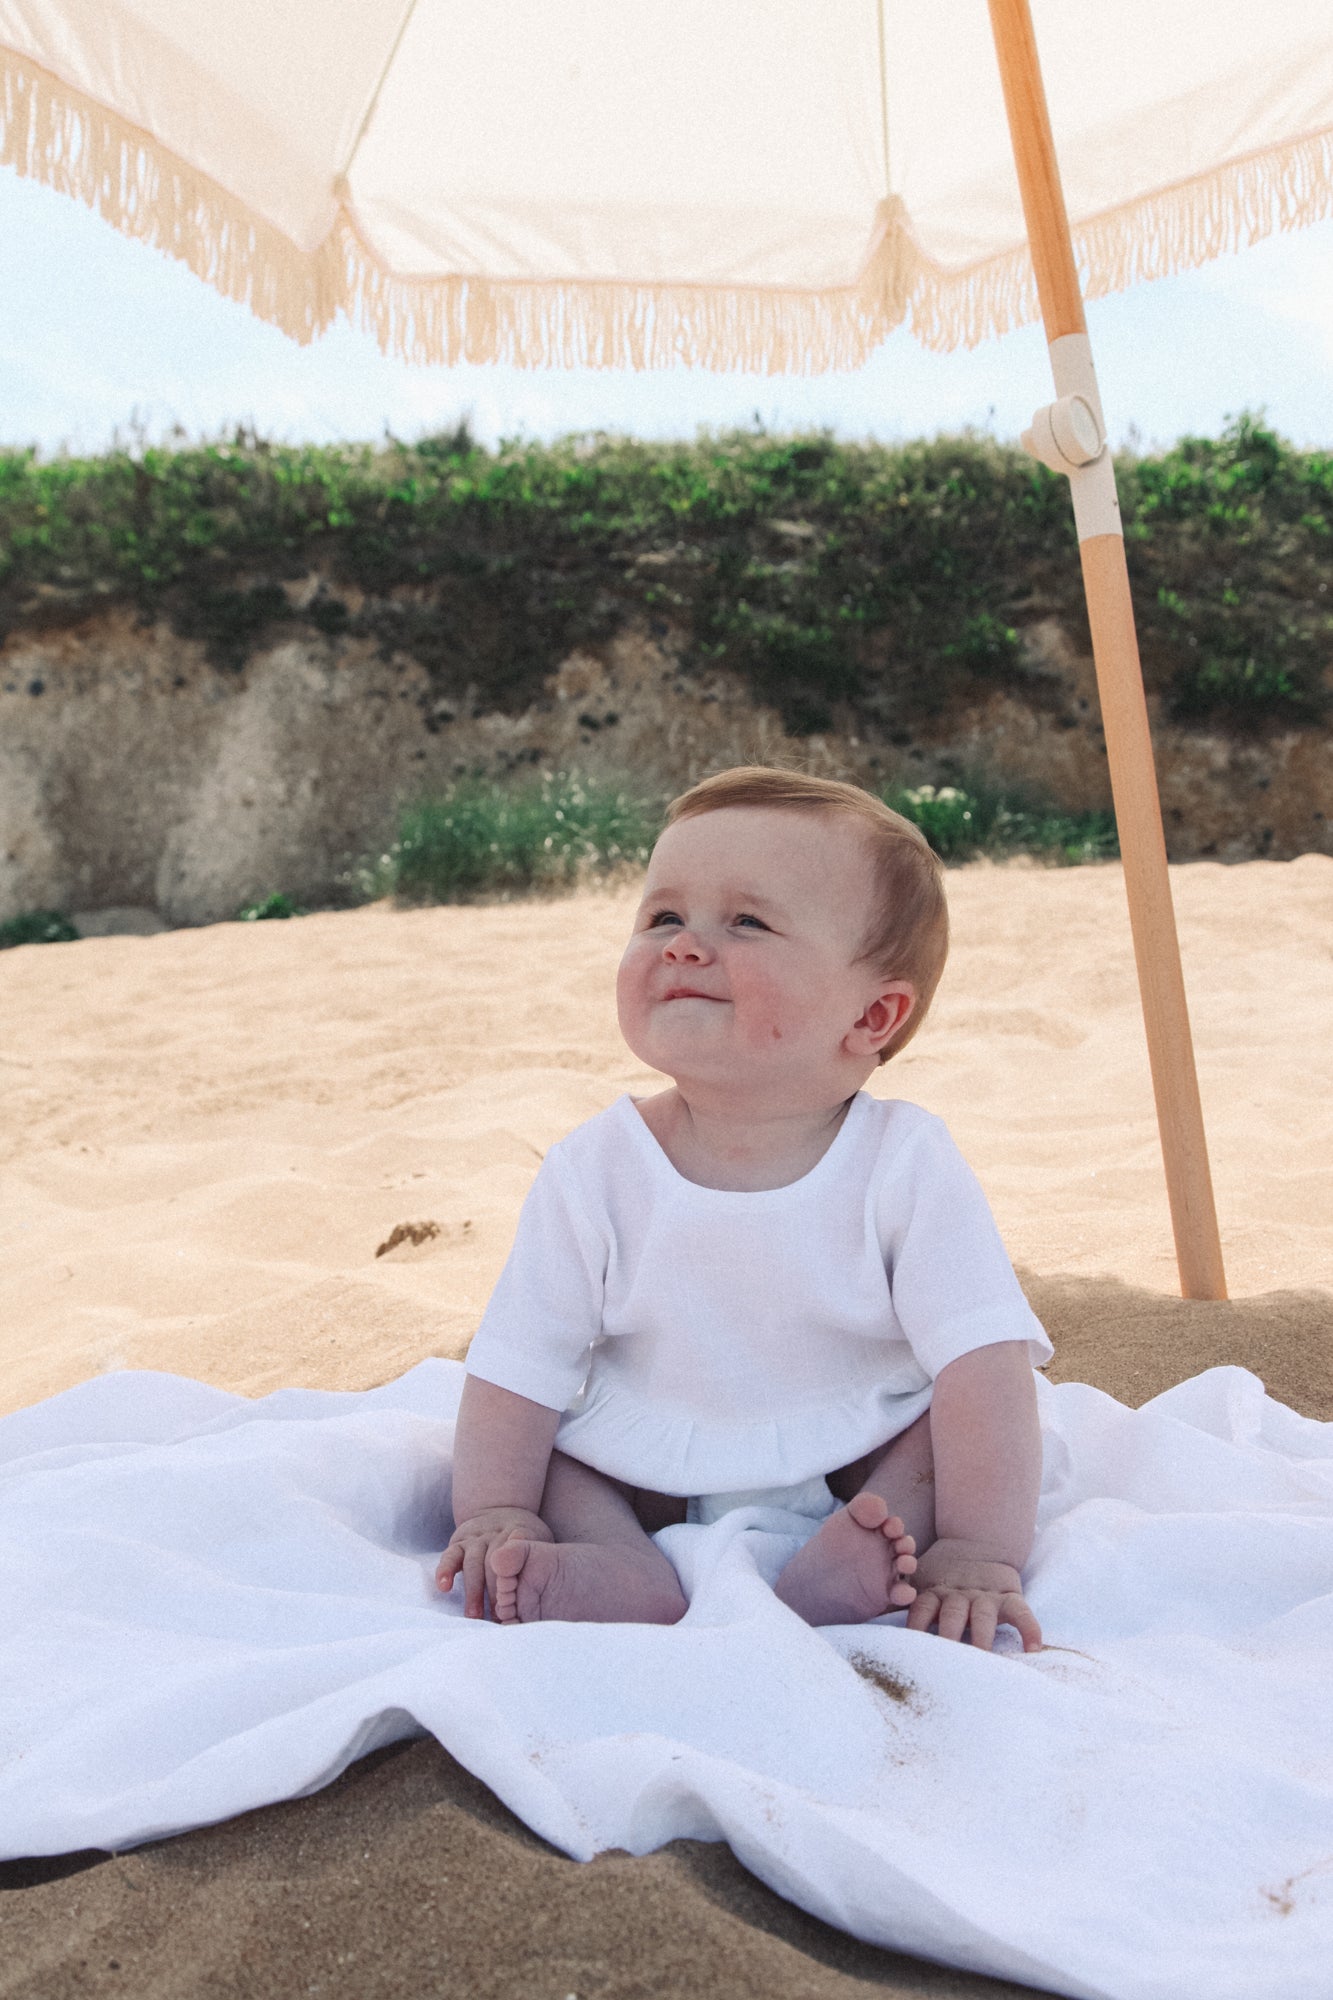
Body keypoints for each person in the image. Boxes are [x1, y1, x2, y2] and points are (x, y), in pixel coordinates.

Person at [436, 765, 1051, 1650]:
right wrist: (493, 1509)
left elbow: (981, 1360)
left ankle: (874, 1560)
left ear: (872, 1014)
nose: (684, 945)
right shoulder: (596, 1166)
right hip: (643, 1463)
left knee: (949, 1427)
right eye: (662, 917)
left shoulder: (904, 1162)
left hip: (853, 1454)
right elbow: (517, 1367)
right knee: (555, 1458)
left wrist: (980, 1551)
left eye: (747, 922)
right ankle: (618, 1566)